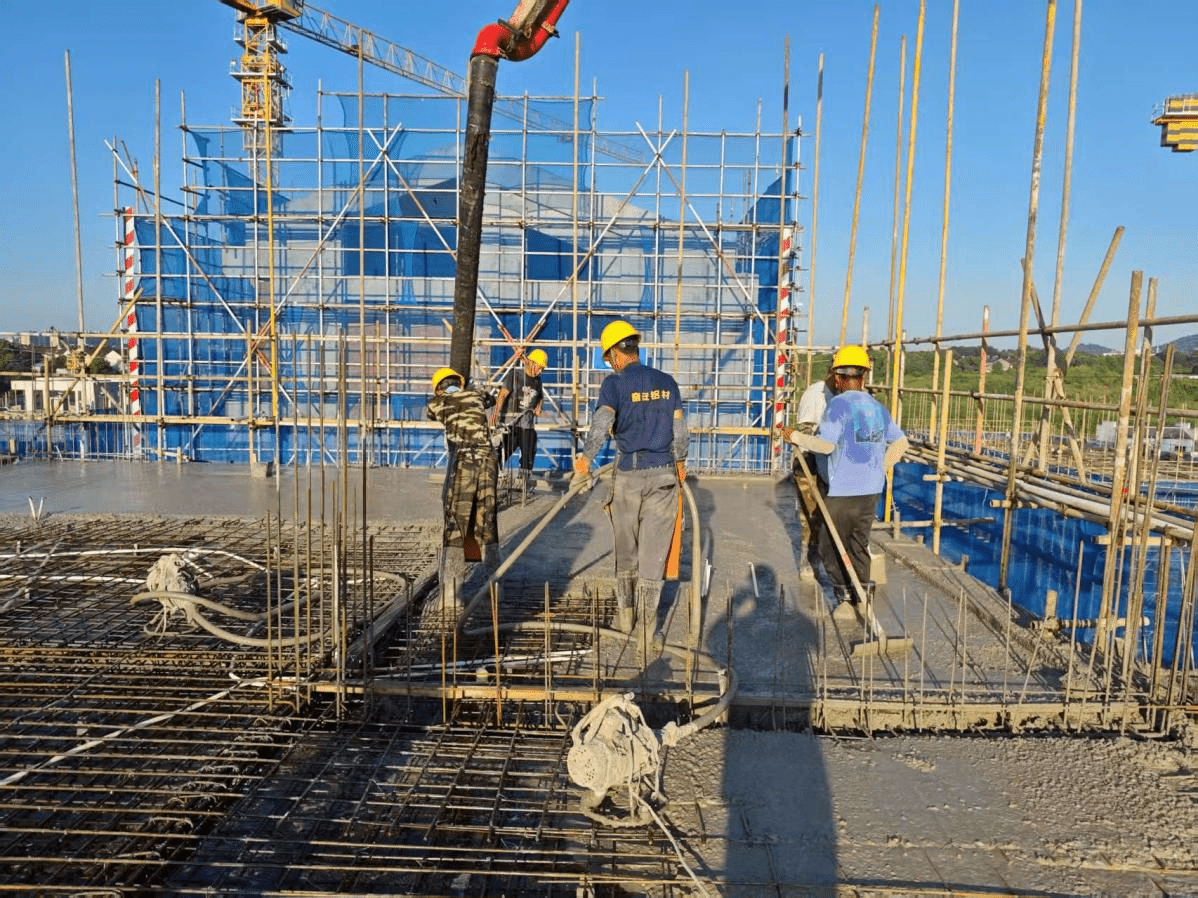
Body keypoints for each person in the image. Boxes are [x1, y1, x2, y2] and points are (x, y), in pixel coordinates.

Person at [573, 320, 689, 652]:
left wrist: (585, 460)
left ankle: (626, 617)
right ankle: (647, 630)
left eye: (608, 358)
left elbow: (602, 423)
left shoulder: (614, 384)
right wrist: (680, 462)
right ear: (634, 348)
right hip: (664, 476)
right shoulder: (667, 382)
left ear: (615, 353)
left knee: (627, 550)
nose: (609, 364)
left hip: (627, 477)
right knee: (654, 555)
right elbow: (680, 432)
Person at [784, 345, 908, 618]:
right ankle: (863, 595)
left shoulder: (837, 405)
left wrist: (795, 437)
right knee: (858, 542)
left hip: (842, 490)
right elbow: (901, 442)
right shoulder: (877, 407)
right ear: (863, 376)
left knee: (829, 544)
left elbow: (826, 446)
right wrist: (880, 467)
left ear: (838, 378)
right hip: (871, 490)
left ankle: (845, 598)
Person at [425, 366, 500, 611]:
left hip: (465, 460)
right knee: (487, 523)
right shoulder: (477, 394)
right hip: (488, 460)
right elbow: (491, 399)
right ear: (460, 383)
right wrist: (469, 390)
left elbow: (430, 412)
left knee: (456, 526)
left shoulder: (437, 403)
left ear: (439, 389)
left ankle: (451, 595)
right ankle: (494, 589)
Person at [783, 364, 838, 576]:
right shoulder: (816, 395)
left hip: (831, 462)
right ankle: (808, 560)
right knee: (811, 515)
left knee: (832, 514)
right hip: (810, 463)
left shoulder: (842, 397)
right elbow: (804, 434)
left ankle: (826, 557)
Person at [491, 348, 547, 489]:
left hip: (526, 423)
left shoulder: (537, 381)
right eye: (540, 367)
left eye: (542, 369)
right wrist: (495, 415)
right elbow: (502, 394)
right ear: (531, 363)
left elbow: (540, 397)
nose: (540, 371)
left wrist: (538, 407)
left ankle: (524, 478)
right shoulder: (515, 375)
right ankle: (494, 474)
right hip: (509, 422)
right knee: (502, 449)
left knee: (529, 448)